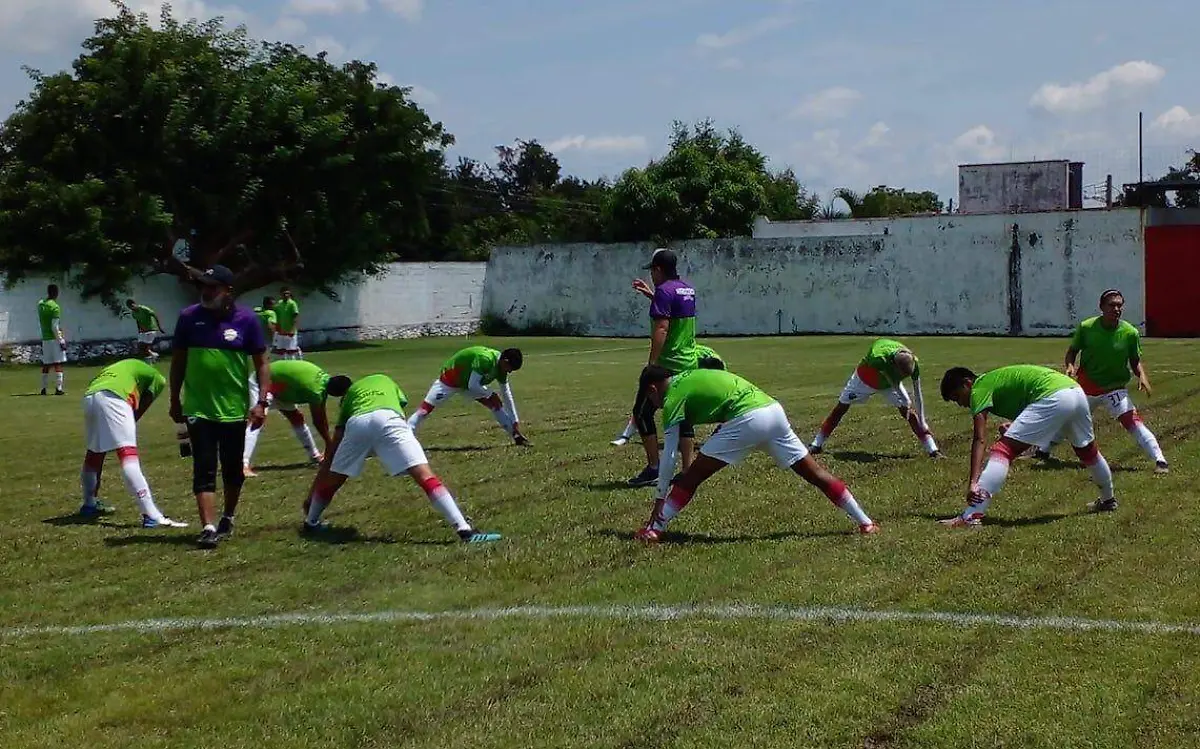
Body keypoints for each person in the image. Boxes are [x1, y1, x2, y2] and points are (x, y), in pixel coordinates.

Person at [632, 366, 880, 542]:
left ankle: (655, 528)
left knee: (692, 477)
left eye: (651, 401)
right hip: (773, 410)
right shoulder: (689, 376)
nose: (656, 406)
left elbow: (669, 457)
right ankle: (865, 522)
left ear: (652, 389)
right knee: (814, 473)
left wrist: (658, 498)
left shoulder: (673, 395)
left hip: (748, 418)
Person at [301, 374, 502, 544]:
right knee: (424, 475)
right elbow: (400, 406)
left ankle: (311, 522)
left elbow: (337, 437)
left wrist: (330, 465)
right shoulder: (385, 379)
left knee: (335, 479)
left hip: (357, 422)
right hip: (389, 418)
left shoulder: (349, 399)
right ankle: (464, 529)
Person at [939, 364, 1118, 527]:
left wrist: (973, 482)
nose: (961, 404)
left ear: (967, 383)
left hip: (1053, 395)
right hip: (1074, 391)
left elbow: (979, 438)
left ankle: (971, 515)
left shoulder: (979, 388)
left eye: (957, 397)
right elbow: (1028, 400)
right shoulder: (993, 380)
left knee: (1003, 451)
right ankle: (1108, 500)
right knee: (1088, 451)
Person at [169, 265, 270, 549]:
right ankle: (209, 527)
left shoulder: (247, 320)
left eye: (213, 286)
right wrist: (174, 399)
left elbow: (262, 364)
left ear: (228, 291)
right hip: (198, 408)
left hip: (234, 409)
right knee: (203, 467)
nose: (206, 291)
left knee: (232, 470)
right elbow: (178, 362)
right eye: (203, 285)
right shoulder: (188, 318)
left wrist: (261, 402)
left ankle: (228, 516)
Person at [1035, 289, 1168, 473]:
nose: (1116, 309)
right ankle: (1043, 451)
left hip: (1114, 388)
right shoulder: (1087, 327)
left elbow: (1134, 360)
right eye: (1112, 305)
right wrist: (1070, 366)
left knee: (1133, 422)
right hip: (1087, 387)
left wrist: (1142, 376)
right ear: (1101, 307)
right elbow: (1072, 351)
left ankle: (1160, 460)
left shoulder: (1130, 333)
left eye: (1119, 305)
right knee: (1068, 420)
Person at [79, 359, 187, 527]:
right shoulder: (158, 378)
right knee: (128, 455)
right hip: (115, 397)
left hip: (91, 396)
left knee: (94, 452)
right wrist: (130, 421)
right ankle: (151, 515)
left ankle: (89, 503)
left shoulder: (125, 367)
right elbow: (145, 402)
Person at [626, 249, 700, 487]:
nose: (651, 275)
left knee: (642, 412)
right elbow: (675, 312)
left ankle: (654, 468)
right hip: (689, 362)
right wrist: (652, 295)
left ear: (658, 269)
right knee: (683, 415)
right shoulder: (686, 289)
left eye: (652, 270)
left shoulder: (664, 292)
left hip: (668, 364)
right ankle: (688, 469)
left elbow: (662, 328)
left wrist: (652, 364)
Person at [810, 338, 941, 458]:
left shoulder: (913, 363)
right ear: (893, 366)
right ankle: (816, 444)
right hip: (864, 380)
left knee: (910, 413)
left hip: (887, 384)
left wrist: (923, 422)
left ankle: (933, 450)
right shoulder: (878, 357)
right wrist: (905, 400)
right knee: (840, 408)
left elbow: (918, 394)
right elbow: (892, 382)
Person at [243, 359, 352, 477]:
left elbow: (321, 418)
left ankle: (315, 456)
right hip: (262, 381)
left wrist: (328, 443)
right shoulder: (315, 390)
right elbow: (319, 421)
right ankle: (242, 465)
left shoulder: (324, 381)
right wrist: (330, 444)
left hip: (281, 387)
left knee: (297, 418)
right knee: (257, 421)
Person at [407, 345, 528, 445]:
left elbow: (506, 393)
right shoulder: (485, 359)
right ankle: (406, 435)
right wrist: (491, 394)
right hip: (450, 380)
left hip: (469, 384)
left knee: (495, 405)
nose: (509, 372)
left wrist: (514, 419)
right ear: (505, 361)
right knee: (425, 410)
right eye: (510, 368)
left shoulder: (501, 368)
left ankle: (515, 435)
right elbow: (473, 385)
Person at [612, 342, 724, 446]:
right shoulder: (688, 361)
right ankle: (626, 434)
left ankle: (718, 435)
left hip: (688, 370)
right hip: (673, 369)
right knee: (648, 402)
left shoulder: (718, 371)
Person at [38, 284, 67, 395]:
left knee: (46, 364)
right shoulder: (55, 307)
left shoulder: (41, 305)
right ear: (56, 293)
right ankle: (58, 388)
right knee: (57, 363)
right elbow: (54, 326)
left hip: (45, 338)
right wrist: (61, 340)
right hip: (53, 339)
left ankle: (43, 388)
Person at [273, 287, 302, 360]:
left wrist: (293, 329)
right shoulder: (279, 304)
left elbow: (295, 317)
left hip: (290, 331)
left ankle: (294, 364)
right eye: (284, 293)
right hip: (281, 331)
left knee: (291, 351)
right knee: (281, 351)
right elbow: (276, 315)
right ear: (281, 294)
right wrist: (277, 328)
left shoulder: (292, 303)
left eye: (288, 293)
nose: (286, 295)